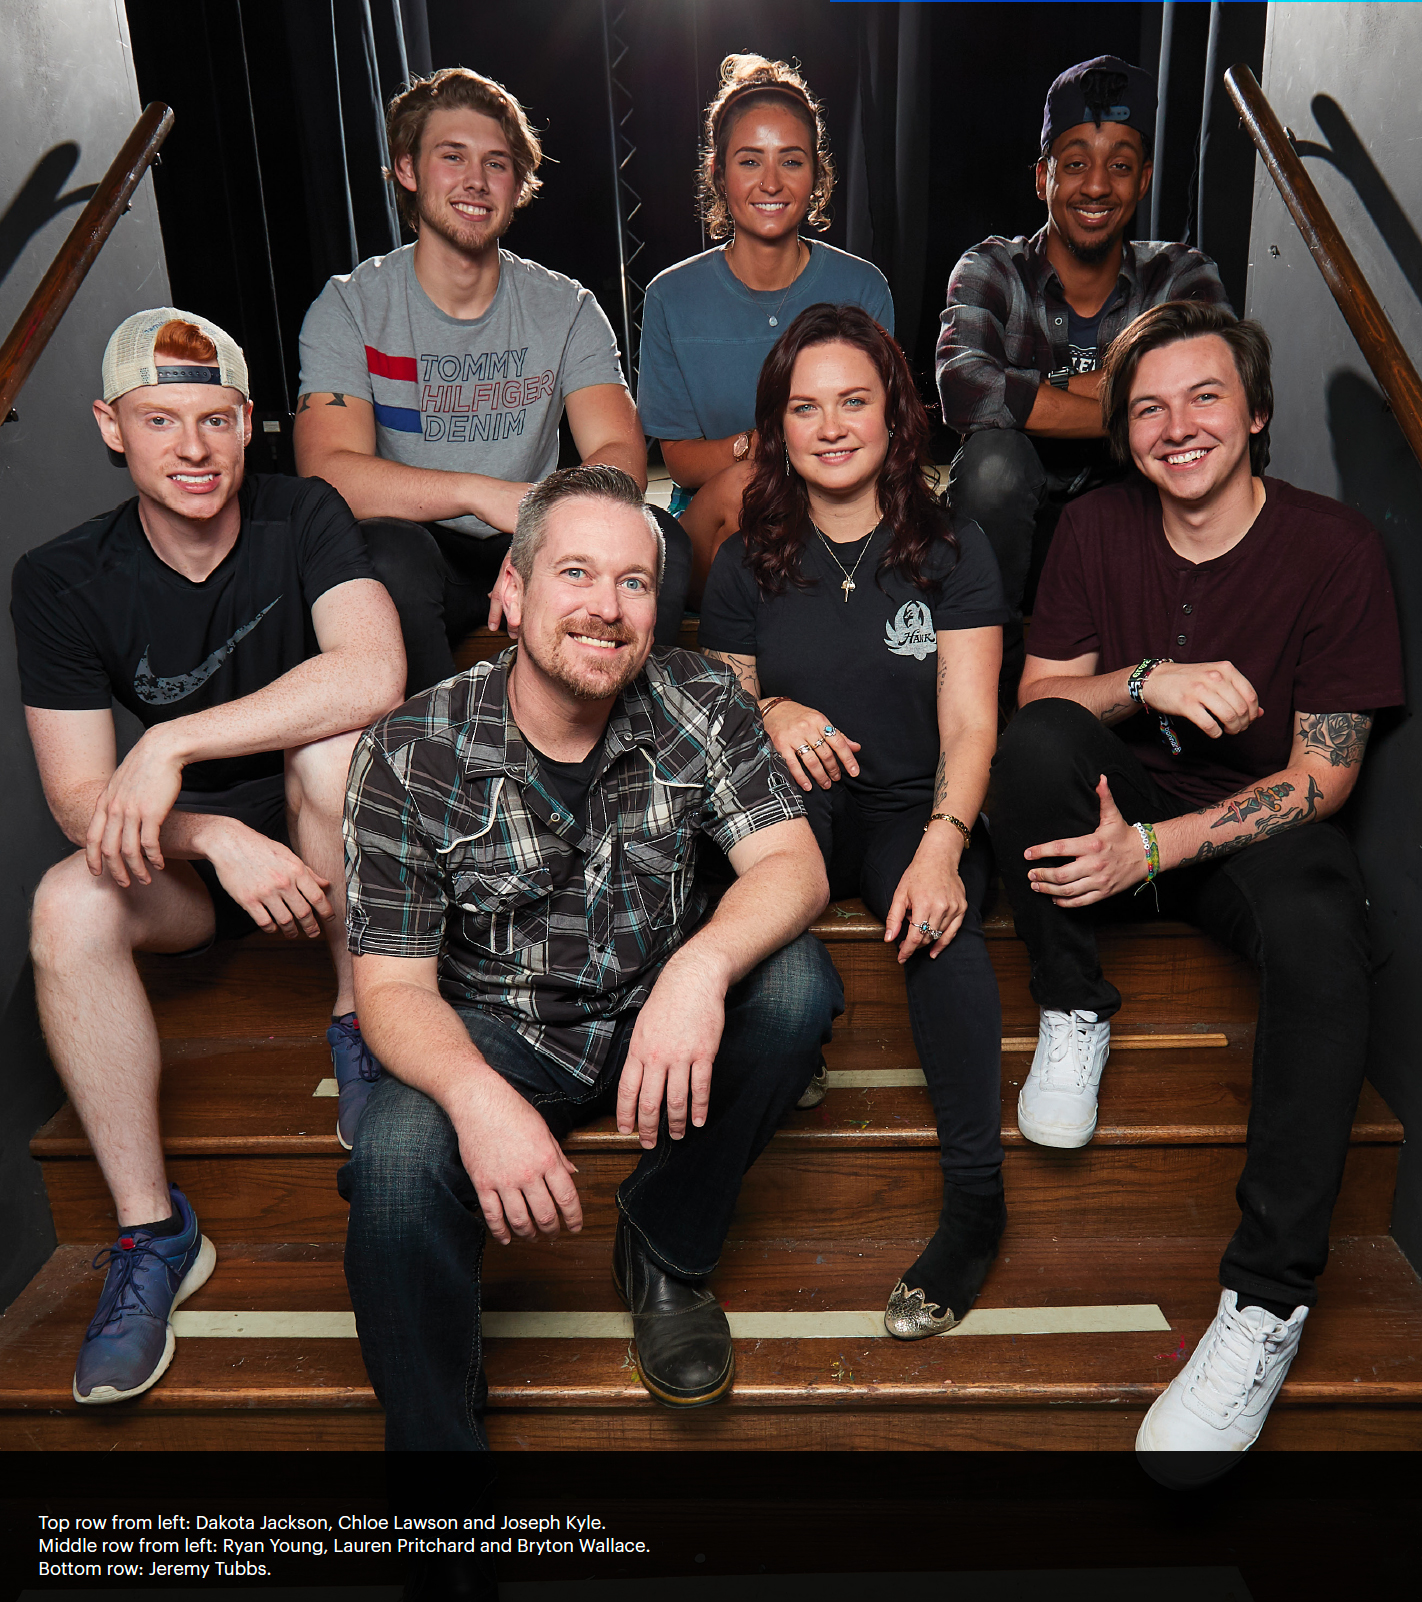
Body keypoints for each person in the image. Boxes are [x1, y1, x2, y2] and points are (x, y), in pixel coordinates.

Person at [339, 462, 842, 1449]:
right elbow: (390, 991)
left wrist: (698, 972)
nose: (605, 610)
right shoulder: (411, 748)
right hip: (500, 1027)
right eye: (574, 574)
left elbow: (795, 866)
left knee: (795, 987)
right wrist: (480, 1099)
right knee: (397, 1163)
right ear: (514, 591)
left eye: (633, 583)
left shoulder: (698, 697)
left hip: (658, 1003)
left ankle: (661, 1246)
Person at [988, 301, 1404, 1468]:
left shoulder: (1335, 549)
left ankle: (1265, 1306)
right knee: (1032, 749)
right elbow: (1039, 705)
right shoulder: (1096, 528)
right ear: (1125, 432)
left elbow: (1323, 775)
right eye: (1150, 407)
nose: (1178, 427)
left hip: (1247, 830)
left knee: (1327, 929)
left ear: (1257, 411)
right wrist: (1151, 679)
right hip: (1114, 805)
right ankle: (1074, 1005)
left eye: (1205, 396)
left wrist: (1158, 854)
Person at [11, 308, 405, 1406]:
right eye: (158, 419)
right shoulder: (61, 578)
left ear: (247, 425)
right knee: (63, 907)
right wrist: (212, 834)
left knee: (337, 751)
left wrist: (176, 741)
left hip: (327, 837)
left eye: (215, 419)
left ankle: (356, 1017)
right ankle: (153, 1235)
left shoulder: (303, 513)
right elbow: (83, 797)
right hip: (190, 869)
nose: (192, 448)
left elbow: (374, 673)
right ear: (110, 428)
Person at [699, 303, 1010, 1338]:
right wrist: (773, 709)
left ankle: (975, 1203)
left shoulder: (953, 549)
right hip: (803, 807)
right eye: (805, 406)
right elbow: (728, 714)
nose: (831, 426)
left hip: (914, 807)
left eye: (854, 401)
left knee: (943, 931)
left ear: (896, 416)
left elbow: (972, 725)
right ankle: (796, 1028)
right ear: (777, 426)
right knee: (718, 865)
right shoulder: (745, 561)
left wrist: (943, 846)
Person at [294, 66, 691, 693]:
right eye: (452, 157)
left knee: (659, 536)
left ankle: (633, 757)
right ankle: (435, 774)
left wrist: (546, 530)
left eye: (497, 164)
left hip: (540, 539)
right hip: (423, 548)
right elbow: (329, 473)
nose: (476, 181)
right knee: (384, 556)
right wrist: (482, 493)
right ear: (407, 169)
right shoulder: (351, 305)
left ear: (518, 184)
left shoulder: (567, 306)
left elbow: (621, 456)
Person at [937, 54, 1230, 710]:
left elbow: (1216, 391)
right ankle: (986, 700)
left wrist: (1033, 395)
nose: (1096, 186)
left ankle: (1140, 699)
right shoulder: (992, 269)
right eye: (1075, 163)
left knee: (1181, 461)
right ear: (1043, 176)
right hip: (1014, 532)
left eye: (1120, 164)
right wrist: (1131, 403)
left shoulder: (1181, 277)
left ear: (1145, 178)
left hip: (1131, 531)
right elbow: (963, 388)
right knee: (993, 464)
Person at [638, 53, 893, 598]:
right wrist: (763, 444)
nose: (771, 182)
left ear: (817, 174)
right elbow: (681, 464)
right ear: (717, 172)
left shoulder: (863, 286)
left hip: (839, 505)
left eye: (792, 161)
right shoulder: (670, 296)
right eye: (750, 161)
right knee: (749, 488)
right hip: (721, 515)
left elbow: (881, 433)